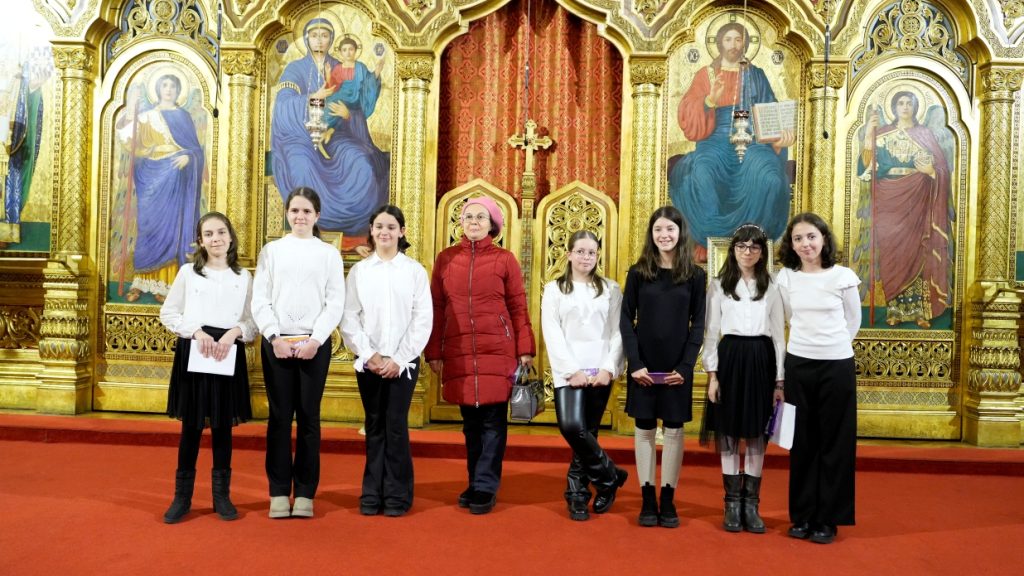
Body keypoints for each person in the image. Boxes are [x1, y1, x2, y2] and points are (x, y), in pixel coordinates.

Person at [424, 196, 536, 515]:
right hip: (459, 350)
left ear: (492, 225)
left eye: (480, 217)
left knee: (493, 421)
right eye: (468, 217)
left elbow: (517, 306)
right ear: (461, 223)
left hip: (497, 350)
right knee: (470, 424)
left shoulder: (504, 259)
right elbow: (437, 307)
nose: (473, 222)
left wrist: (525, 348)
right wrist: (434, 351)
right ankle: (475, 481)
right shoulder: (446, 259)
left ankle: (486, 486)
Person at [251, 187, 346, 519]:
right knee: (279, 418)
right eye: (295, 210)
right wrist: (273, 336)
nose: (300, 216)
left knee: (308, 418)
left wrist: (316, 340)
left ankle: (305, 493)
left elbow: (335, 301)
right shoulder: (272, 251)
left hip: (313, 346)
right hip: (277, 343)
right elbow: (260, 298)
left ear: (317, 215)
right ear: (287, 214)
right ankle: (278, 492)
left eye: (306, 211)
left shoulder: (328, 254)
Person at [159, 211, 255, 523]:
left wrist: (235, 332)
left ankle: (221, 497)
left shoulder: (243, 277)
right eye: (209, 234)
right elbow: (169, 313)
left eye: (221, 232)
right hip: (196, 350)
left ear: (231, 237)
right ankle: (181, 498)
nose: (216, 239)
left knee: (223, 428)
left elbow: (252, 320)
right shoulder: (189, 273)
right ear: (200, 241)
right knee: (191, 427)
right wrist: (197, 332)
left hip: (227, 351)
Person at [668, 21, 794, 249]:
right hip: (714, 139)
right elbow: (687, 111)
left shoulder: (756, 75)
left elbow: (771, 111)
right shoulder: (706, 75)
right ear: (719, 43)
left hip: (753, 140)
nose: (733, 45)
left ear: (745, 43)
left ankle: (755, 243)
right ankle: (711, 241)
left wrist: (779, 140)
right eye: (728, 39)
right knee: (702, 172)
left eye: (738, 39)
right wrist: (710, 100)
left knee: (770, 177)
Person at [775, 212, 861, 545]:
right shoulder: (786, 278)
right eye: (798, 238)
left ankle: (827, 519)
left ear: (824, 238)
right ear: (791, 244)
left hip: (836, 366)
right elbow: (786, 320)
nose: (805, 244)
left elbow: (852, 322)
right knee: (802, 442)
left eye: (811, 236)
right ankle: (803, 515)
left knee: (835, 442)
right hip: (799, 364)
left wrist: (832, 347)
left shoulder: (843, 276)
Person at [341, 204, 432, 517]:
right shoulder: (360, 272)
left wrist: (400, 358)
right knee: (374, 424)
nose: (384, 232)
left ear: (401, 232)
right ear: (371, 230)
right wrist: (370, 355)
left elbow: (422, 319)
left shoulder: (414, 271)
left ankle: (397, 495)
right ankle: (371, 493)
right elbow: (350, 316)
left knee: (395, 426)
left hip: (403, 363)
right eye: (379, 226)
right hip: (370, 362)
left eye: (391, 227)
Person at [620, 205, 706, 528]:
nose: (664, 235)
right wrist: (635, 363)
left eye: (670, 229)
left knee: (673, 429)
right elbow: (626, 319)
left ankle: (667, 500)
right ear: (651, 234)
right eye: (658, 229)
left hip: (676, 368)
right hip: (643, 366)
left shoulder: (695, 275)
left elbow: (699, 324)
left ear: (680, 233)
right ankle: (647, 498)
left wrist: (686, 366)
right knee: (644, 428)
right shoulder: (638, 272)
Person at [700, 223, 785, 533]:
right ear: (732, 249)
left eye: (754, 247)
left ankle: (751, 505)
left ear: (762, 252)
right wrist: (713, 375)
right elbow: (711, 333)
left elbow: (779, 336)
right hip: (731, 359)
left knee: (756, 434)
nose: (747, 252)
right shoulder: (719, 285)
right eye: (741, 246)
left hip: (761, 359)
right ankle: (732, 505)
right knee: (729, 433)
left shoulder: (772, 286)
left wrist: (779, 380)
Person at [271, 18, 388, 235]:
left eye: (324, 36)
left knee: (361, 162)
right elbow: (283, 106)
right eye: (314, 36)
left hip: (336, 134)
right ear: (306, 39)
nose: (319, 40)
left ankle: (353, 233)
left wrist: (347, 115)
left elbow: (357, 103)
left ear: (331, 40)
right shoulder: (295, 68)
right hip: (300, 137)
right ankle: (307, 232)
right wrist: (313, 96)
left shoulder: (342, 66)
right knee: (302, 167)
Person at [541, 230, 628, 521]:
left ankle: (577, 495)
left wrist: (608, 368)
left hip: (600, 371)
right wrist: (570, 370)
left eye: (591, 252)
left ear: (597, 255)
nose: (586, 257)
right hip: (569, 372)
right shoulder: (554, 289)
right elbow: (552, 332)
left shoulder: (611, 289)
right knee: (571, 427)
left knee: (588, 432)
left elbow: (618, 332)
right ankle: (609, 476)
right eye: (580, 251)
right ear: (569, 254)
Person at [855, 90, 952, 328]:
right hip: (888, 200)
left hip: (917, 200)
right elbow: (864, 169)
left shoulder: (924, 134)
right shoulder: (881, 133)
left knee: (916, 252)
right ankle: (894, 310)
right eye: (901, 103)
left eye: (910, 103)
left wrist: (931, 171)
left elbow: (942, 170)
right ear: (894, 107)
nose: (905, 107)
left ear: (916, 107)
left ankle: (919, 311)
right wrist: (869, 135)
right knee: (891, 253)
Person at [118, 73, 205, 302]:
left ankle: (166, 284)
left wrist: (189, 157)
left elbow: (196, 150)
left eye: (172, 86)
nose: (168, 89)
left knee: (171, 229)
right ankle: (141, 281)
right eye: (164, 85)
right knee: (148, 227)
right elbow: (128, 141)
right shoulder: (147, 116)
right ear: (157, 89)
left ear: (178, 90)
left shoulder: (183, 117)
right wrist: (130, 112)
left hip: (175, 176)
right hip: (150, 176)